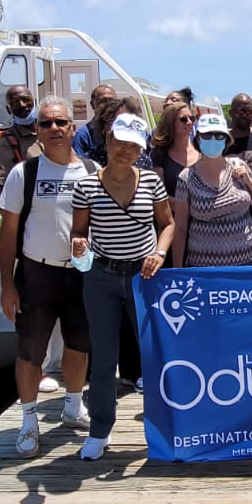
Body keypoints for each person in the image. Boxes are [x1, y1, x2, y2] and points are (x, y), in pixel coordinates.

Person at [0, 96, 96, 457]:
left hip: (80, 275)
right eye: (45, 123)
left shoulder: (90, 170)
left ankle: (73, 406)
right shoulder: (25, 173)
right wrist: (7, 284)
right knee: (30, 351)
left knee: (79, 345)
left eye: (60, 123)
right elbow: (8, 233)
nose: (54, 129)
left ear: (73, 128)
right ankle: (27, 420)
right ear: (37, 130)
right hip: (36, 273)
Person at [70, 112, 174, 460]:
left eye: (134, 146)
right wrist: (78, 244)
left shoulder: (151, 182)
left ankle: (167, 425)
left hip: (145, 278)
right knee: (103, 358)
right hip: (100, 276)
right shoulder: (86, 185)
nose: (125, 151)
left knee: (154, 355)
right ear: (108, 141)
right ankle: (100, 430)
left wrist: (160, 252)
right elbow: (79, 230)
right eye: (120, 143)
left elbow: (168, 224)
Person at [172, 114, 252, 267]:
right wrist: (177, 271)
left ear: (226, 140)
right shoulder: (186, 178)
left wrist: (250, 182)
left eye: (219, 136)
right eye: (207, 135)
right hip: (204, 267)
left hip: (248, 262)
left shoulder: (239, 166)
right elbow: (180, 228)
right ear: (198, 138)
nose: (213, 140)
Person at [0, 85, 43, 203]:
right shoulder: (4, 144)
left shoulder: (50, 132)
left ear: (34, 102)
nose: (22, 105)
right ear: (9, 109)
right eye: (15, 103)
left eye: (26, 100)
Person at [150, 101, 198, 196]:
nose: (189, 122)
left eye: (192, 118)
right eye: (183, 119)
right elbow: (160, 194)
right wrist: (183, 207)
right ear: (171, 123)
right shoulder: (159, 154)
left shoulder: (202, 150)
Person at [71, 84, 119, 165]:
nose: (108, 104)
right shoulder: (82, 135)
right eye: (103, 101)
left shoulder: (125, 131)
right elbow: (79, 165)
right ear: (92, 104)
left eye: (112, 101)